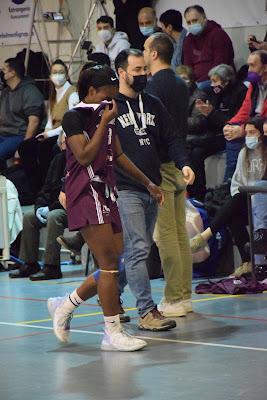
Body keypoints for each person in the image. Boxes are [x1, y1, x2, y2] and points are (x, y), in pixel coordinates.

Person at [47, 65, 170, 351]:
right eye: (107, 92)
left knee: (113, 263)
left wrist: (148, 183)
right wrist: (104, 122)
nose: (112, 97)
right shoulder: (73, 117)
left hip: (107, 191)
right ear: (91, 91)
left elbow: (120, 154)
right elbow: (86, 156)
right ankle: (112, 333)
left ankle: (65, 305)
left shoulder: (107, 112)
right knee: (110, 267)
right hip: (85, 193)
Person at [143, 32, 195, 317]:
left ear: (153, 54)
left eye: (144, 49)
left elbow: (155, 131)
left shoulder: (152, 87)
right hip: (178, 162)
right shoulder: (180, 83)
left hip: (162, 166)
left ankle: (174, 298)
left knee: (166, 235)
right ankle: (184, 295)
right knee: (179, 234)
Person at [190, 117, 267, 278]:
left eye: (252, 133)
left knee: (241, 198)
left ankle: (205, 236)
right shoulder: (244, 153)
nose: (249, 137)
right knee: (234, 211)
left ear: (262, 134)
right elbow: (237, 183)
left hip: (263, 202)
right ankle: (247, 261)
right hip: (246, 201)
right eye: (246, 133)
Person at [185, 63, 248, 199]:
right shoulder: (214, 92)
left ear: (226, 81)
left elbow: (233, 121)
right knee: (195, 152)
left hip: (230, 134)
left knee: (194, 146)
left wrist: (211, 113)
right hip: (214, 133)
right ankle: (197, 193)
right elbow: (208, 121)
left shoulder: (240, 92)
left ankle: (212, 194)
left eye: (215, 81)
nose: (212, 85)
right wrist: (206, 113)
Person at [9, 132, 67, 280]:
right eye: (63, 142)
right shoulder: (57, 160)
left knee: (55, 216)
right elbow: (45, 188)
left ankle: (51, 266)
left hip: (72, 208)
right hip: (54, 205)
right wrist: (40, 207)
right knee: (29, 217)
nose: (65, 144)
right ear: (60, 144)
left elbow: (71, 193)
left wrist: (51, 208)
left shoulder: (78, 162)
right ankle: (29, 263)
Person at [18, 59, 78, 194]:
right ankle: (33, 186)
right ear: (50, 75)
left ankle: (44, 187)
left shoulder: (72, 93)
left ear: (67, 75)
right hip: (51, 132)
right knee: (26, 146)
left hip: (64, 132)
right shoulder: (53, 93)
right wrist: (44, 133)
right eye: (55, 72)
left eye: (61, 72)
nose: (58, 75)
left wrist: (48, 135)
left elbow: (71, 121)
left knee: (45, 148)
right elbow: (50, 119)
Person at [223, 50, 267, 180]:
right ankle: (229, 185)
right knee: (231, 138)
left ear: (265, 67)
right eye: (248, 65)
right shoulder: (253, 86)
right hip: (253, 124)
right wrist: (230, 124)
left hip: (263, 127)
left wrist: (242, 130)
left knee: (240, 137)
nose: (249, 70)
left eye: (253, 65)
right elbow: (244, 110)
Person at [0, 58, 45, 169]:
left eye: (4, 69)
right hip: (4, 134)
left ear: (12, 73)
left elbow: (34, 122)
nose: (1, 71)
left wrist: (24, 147)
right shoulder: (6, 92)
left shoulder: (30, 91)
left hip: (19, 135)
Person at [183, 5, 235, 89]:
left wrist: (197, 84)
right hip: (196, 83)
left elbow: (220, 65)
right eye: (189, 22)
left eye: (195, 20)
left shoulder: (218, 34)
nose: (192, 25)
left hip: (218, 79)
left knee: (199, 88)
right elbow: (187, 67)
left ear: (204, 18)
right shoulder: (188, 40)